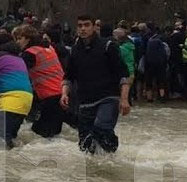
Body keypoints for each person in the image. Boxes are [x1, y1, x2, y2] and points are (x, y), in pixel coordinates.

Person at [61, 15, 130, 154]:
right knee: (85, 144)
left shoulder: (108, 46)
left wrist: (124, 99)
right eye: (80, 26)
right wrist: (64, 94)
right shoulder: (74, 50)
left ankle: (111, 157)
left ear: (94, 27)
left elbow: (123, 75)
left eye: (86, 25)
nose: (83, 29)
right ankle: (98, 165)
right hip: (85, 102)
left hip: (108, 98)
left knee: (101, 128)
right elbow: (68, 77)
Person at [15, 25, 65, 139]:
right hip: (62, 94)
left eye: (19, 38)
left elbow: (17, 74)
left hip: (50, 97)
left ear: (28, 39)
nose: (17, 42)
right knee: (52, 136)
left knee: (40, 134)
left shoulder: (29, 53)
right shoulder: (49, 48)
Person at [143, 26, 169, 102]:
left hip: (149, 64)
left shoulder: (149, 43)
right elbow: (165, 54)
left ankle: (149, 98)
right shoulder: (160, 42)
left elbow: (145, 54)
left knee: (149, 81)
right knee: (161, 81)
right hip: (160, 64)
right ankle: (162, 96)